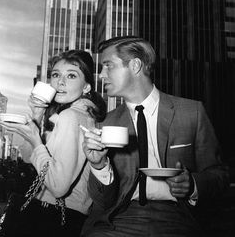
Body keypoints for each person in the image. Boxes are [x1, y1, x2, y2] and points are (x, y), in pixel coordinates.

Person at [81, 36, 229, 237]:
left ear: (135, 65)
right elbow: (103, 202)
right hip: (120, 218)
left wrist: (192, 184)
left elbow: (219, 175)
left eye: (108, 66)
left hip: (178, 216)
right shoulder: (106, 124)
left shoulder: (191, 112)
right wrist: (99, 166)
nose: (101, 75)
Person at [0, 50, 106, 237]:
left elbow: (58, 187)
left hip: (50, 215)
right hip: (67, 215)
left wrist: (36, 141)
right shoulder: (79, 115)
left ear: (87, 87)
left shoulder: (70, 116)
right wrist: (36, 117)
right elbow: (28, 158)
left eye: (71, 75)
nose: (60, 82)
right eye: (56, 75)